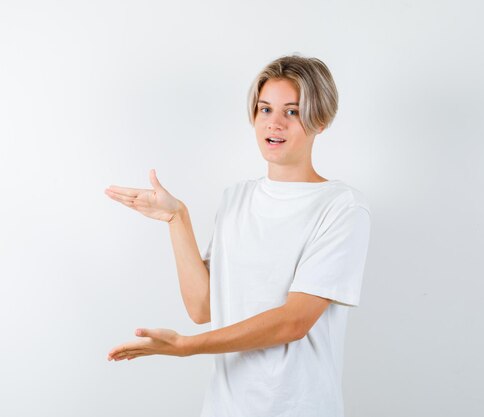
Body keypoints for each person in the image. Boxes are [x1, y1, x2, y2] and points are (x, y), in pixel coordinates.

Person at [104, 54, 371, 417]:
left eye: (291, 112)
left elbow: (294, 321)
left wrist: (188, 346)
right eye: (265, 109)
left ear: (320, 120)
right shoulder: (237, 198)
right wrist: (176, 219)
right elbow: (203, 308)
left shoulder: (341, 207)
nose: (274, 123)